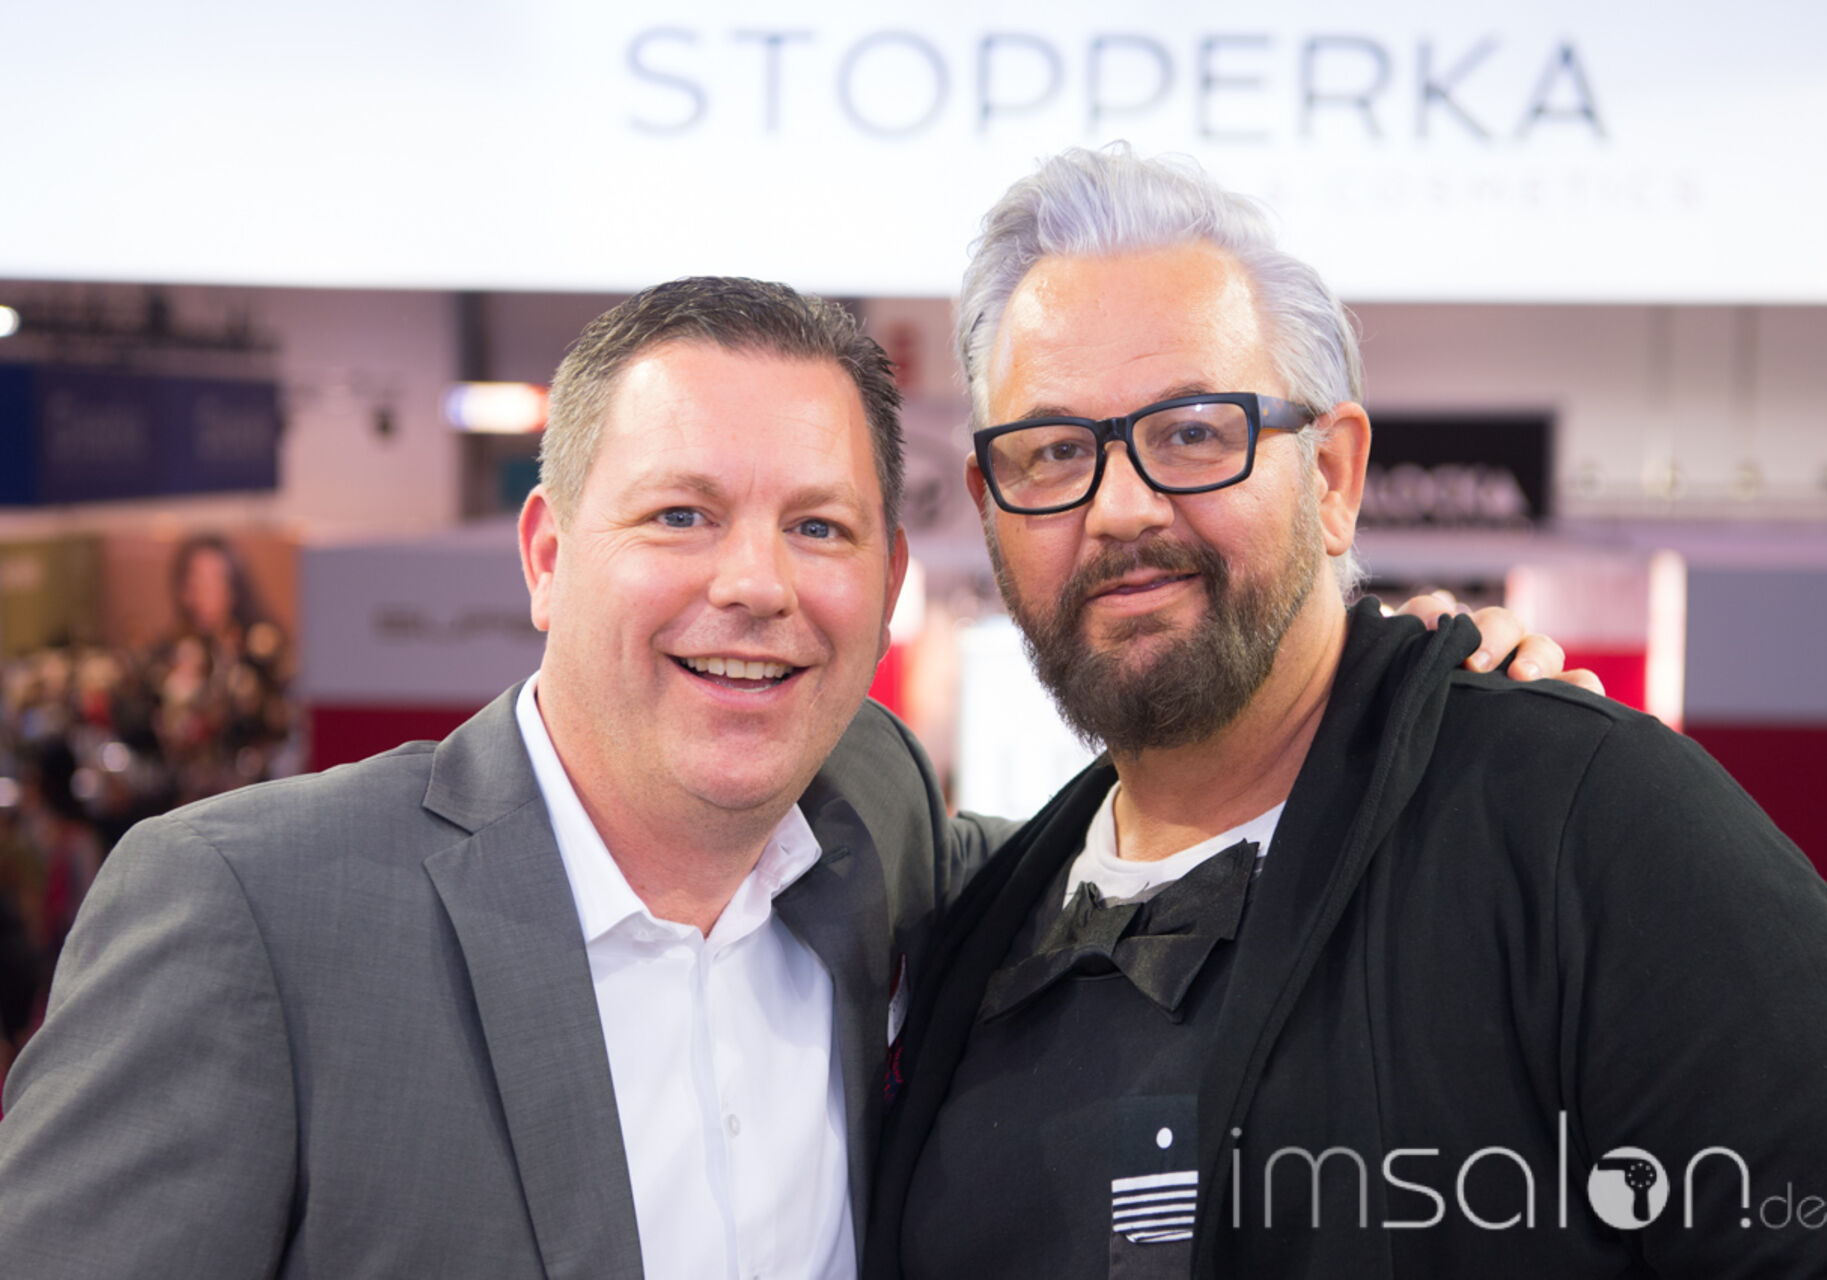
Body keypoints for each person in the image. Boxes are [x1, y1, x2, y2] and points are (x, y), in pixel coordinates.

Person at [0, 275, 1575, 1277]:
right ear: (547, 555)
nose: (754, 586)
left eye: (817, 527)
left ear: (887, 586)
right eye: (680, 515)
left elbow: (1183, 852)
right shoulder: (252, 913)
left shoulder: (883, 833)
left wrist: (1399, 697)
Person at [869, 147, 1827, 1279]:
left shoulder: (1588, 826)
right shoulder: (969, 930)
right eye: (1054, 451)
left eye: (1194, 432)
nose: (1120, 508)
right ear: (989, 504)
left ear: (1332, 477)